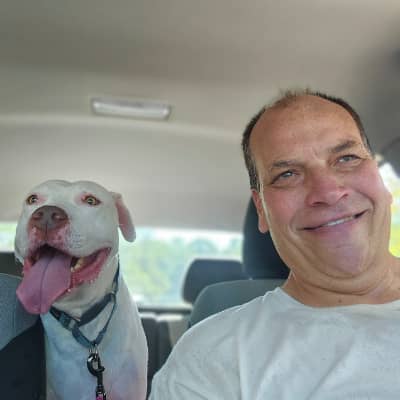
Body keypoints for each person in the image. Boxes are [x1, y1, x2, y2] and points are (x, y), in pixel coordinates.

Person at [149, 89, 400, 399]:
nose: (328, 192)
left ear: (380, 179)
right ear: (261, 209)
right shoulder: (212, 357)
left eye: (347, 158)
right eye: (287, 174)